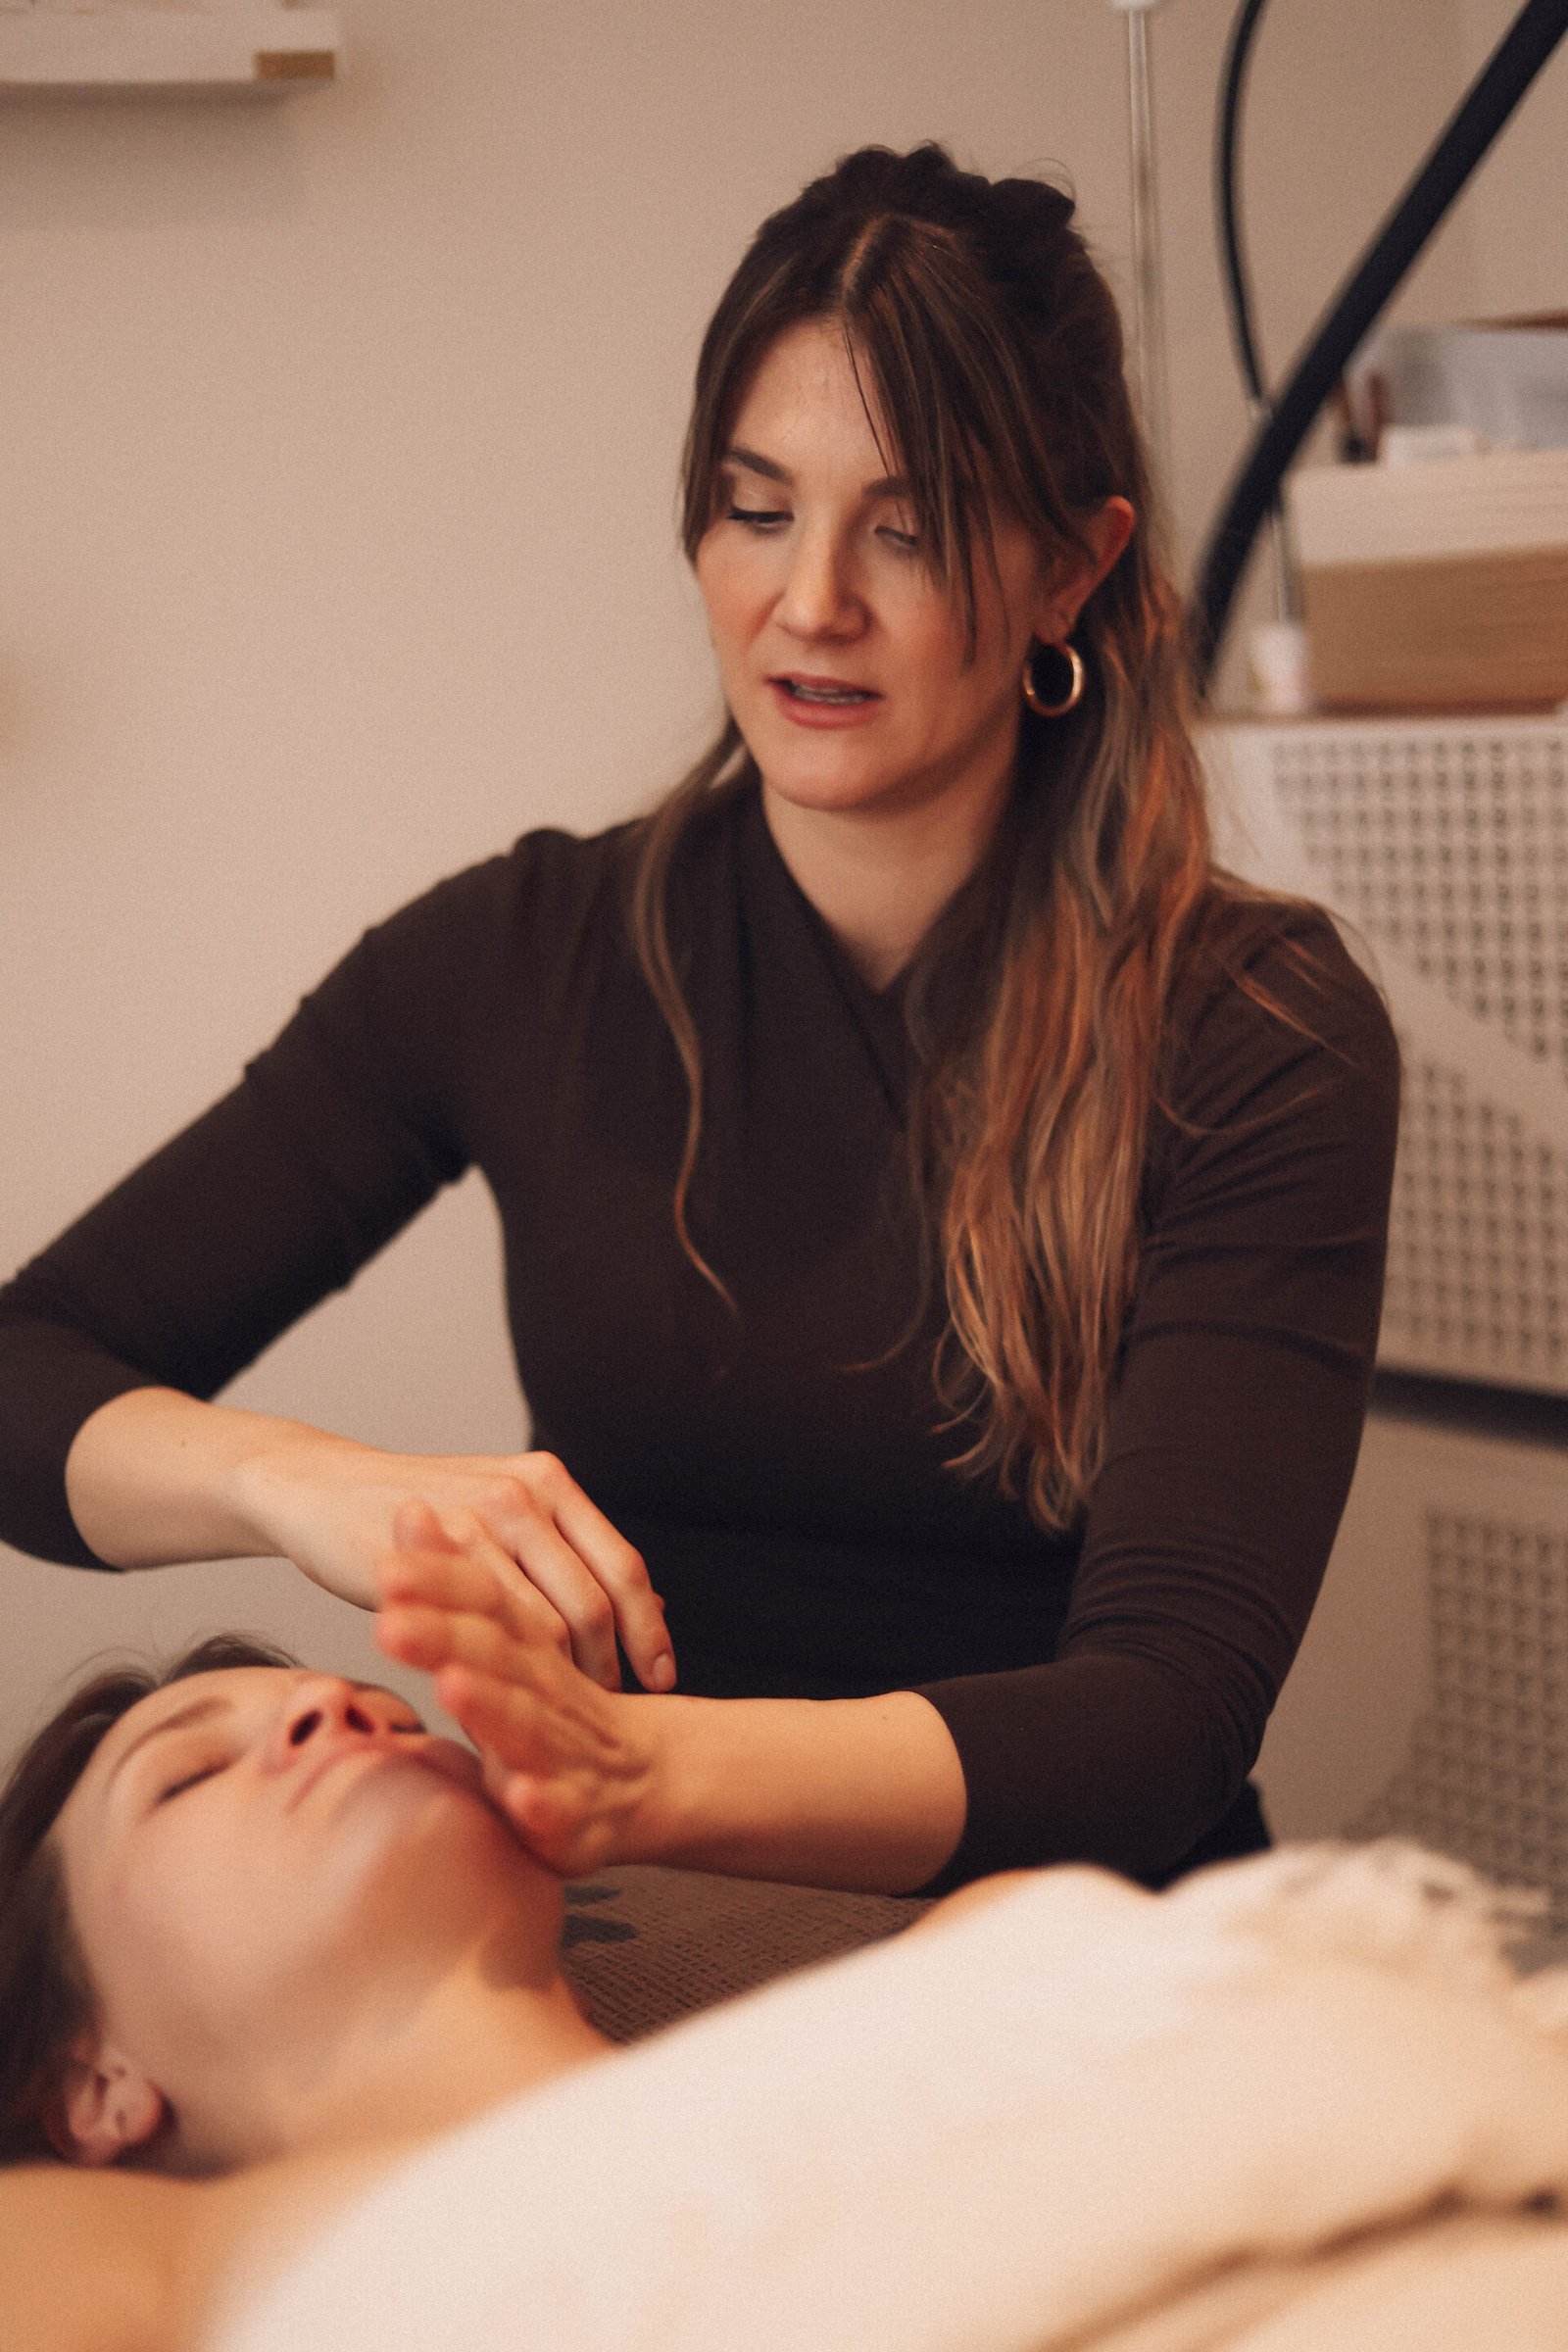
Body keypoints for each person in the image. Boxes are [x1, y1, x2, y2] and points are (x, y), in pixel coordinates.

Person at [0, 141, 1399, 1899]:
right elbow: (21, 1380)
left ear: (1072, 570)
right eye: (759, 509)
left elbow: (1158, 1724)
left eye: (912, 526)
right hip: (648, 1934)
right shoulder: (520, 955)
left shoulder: (1256, 1027)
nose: (811, 601)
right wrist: (316, 1490)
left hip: (1085, 1966)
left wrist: (638, 1772)